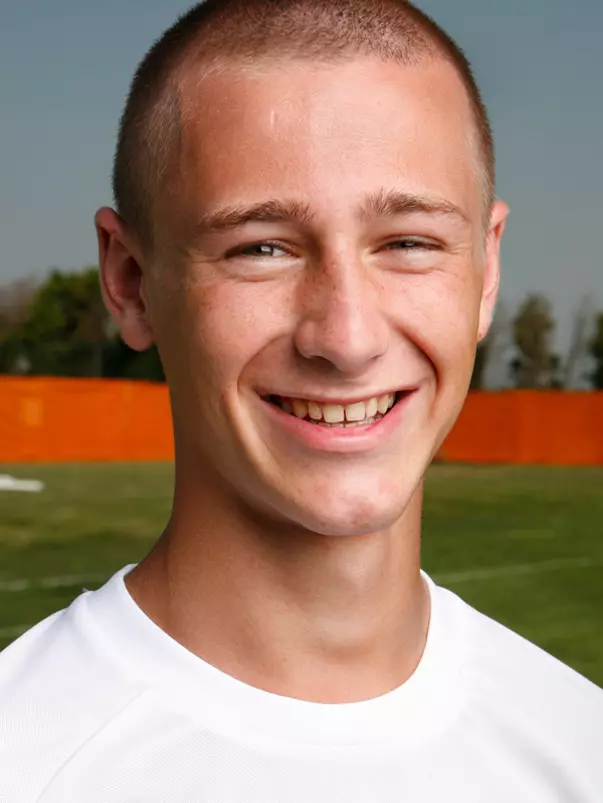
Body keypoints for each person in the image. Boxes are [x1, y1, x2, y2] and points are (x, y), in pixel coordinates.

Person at [1, 0, 601, 800]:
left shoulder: (580, 745)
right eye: (261, 248)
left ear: (485, 271)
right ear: (131, 282)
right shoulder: (23, 757)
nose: (345, 337)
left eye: (408, 242)